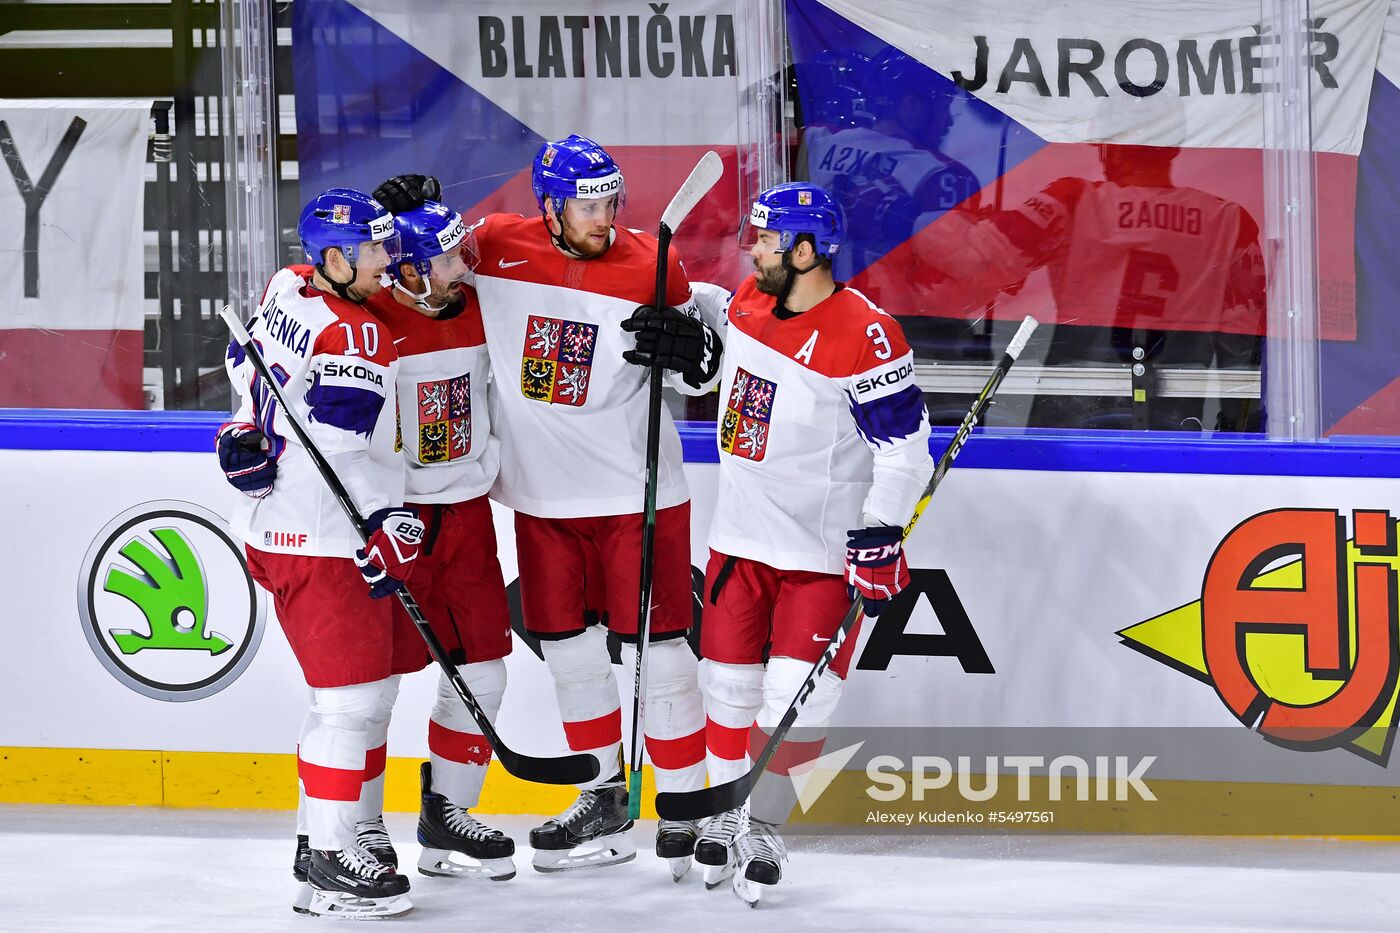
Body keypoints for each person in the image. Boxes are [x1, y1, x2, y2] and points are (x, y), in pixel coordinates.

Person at [373, 133, 725, 878]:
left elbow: (707, 362)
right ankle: (601, 793)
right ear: (549, 204)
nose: (600, 217)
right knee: (570, 656)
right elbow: (411, 269)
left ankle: (689, 808)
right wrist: (388, 213)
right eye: (584, 204)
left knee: (660, 657)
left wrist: (693, 349)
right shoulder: (494, 246)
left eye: (608, 203)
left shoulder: (655, 263)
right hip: (539, 500)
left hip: (638, 496)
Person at [693, 181, 932, 904]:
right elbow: (712, 323)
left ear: (804, 250)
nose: (753, 250)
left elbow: (906, 449)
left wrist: (882, 530)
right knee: (728, 689)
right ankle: (723, 807)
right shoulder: (746, 301)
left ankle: (762, 823)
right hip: (737, 535)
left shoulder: (867, 333)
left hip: (818, 552)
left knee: (802, 694)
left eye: (766, 240)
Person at [215, 188, 418, 918]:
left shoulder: (284, 287)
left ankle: (318, 842)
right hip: (326, 535)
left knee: (342, 701)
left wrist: (238, 432)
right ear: (334, 258)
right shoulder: (358, 336)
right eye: (374, 249)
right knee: (351, 701)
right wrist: (387, 520)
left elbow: (244, 365)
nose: (387, 261)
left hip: (270, 524)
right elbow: (342, 450)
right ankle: (334, 857)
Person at [354, 198, 517, 881]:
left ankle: (446, 818)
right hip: (400, 524)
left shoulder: (480, 310)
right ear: (413, 271)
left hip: (468, 516)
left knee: (483, 670)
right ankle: (358, 827)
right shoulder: (367, 322)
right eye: (449, 259)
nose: (463, 269)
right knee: (373, 684)